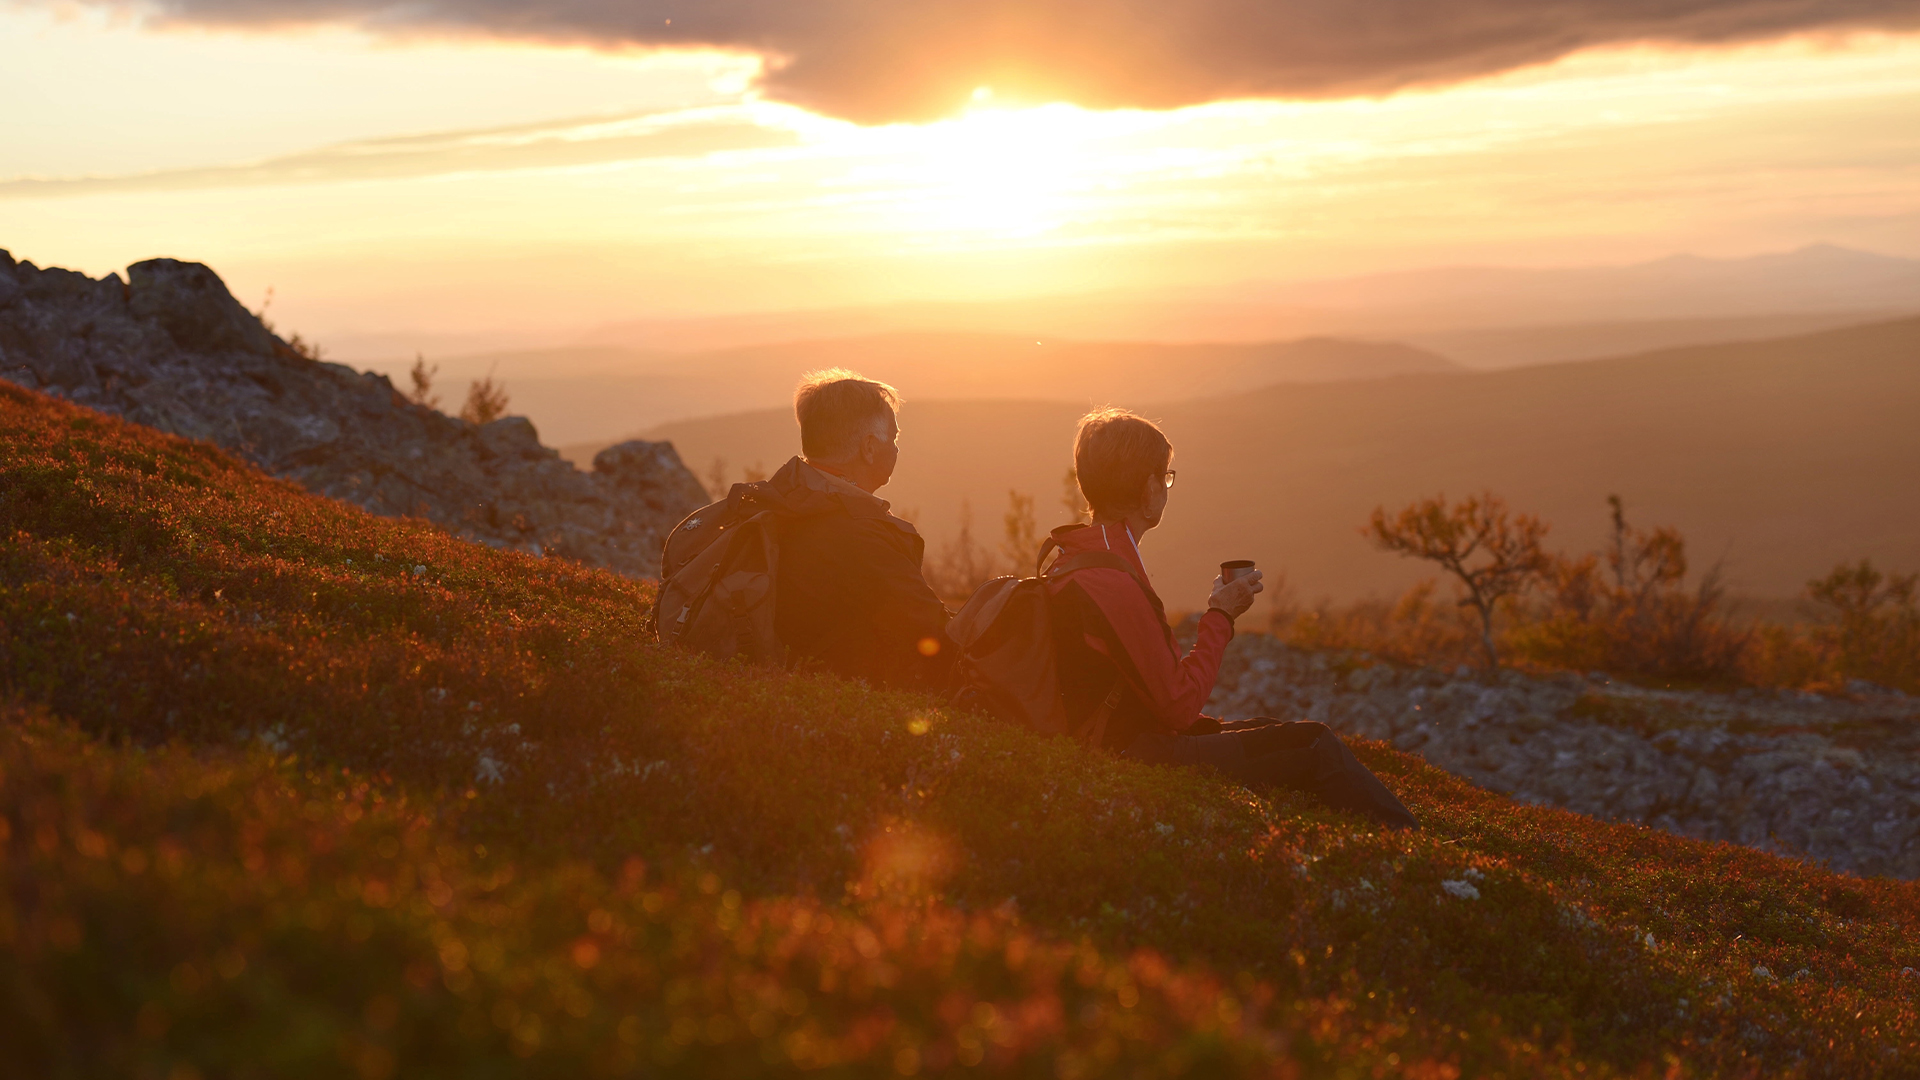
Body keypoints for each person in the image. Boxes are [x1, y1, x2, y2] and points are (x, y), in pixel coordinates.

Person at [1045, 408, 1418, 829]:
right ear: (1148, 488)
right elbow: (1180, 706)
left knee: (1272, 732)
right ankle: (1416, 851)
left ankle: (1339, 838)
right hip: (1131, 752)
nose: (1167, 488)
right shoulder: (1113, 578)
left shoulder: (1076, 553)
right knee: (1316, 744)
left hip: (1111, 734)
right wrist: (1221, 615)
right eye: (1165, 477)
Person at [763, 368, 954, 689]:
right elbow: (932, 631)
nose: (895, 448)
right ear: (868, 448)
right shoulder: (863, 534)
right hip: (840, 701)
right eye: (893, 438)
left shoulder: (781, 500)